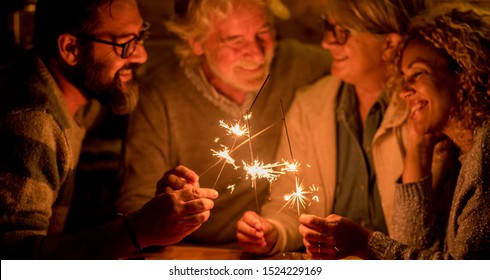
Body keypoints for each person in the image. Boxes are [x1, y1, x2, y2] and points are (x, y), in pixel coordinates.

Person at [0, 0, 217, 259]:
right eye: (125, 44)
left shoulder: (80, 103)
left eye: (141, 36)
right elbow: (17, 261)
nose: (141, 55)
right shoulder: (33, 122)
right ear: (71, 49)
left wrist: (152, 218)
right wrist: (136, 231)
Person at [235, 0, 453, 255]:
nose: (327, 42)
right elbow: (290, 205)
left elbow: (424, 237)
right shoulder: (310, 104)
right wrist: (273, 231)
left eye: (342, 32)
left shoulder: (423, 111)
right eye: (327, 27)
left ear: (390, 44)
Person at [116, 0, 331, 245]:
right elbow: (135, 206)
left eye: (263, 32)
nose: (258, 53)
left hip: (274, 244)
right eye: (236, 41)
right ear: (196, 42)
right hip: (191, 253)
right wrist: (162, 211)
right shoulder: (159, 96)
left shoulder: (298, 65)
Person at [299, 2, 490, 260]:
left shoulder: (485, 154)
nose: (404, 91)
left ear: (463, 71)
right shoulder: (461, 156)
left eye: (418, 73)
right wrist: (416, 151)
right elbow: (418, 248)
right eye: (403, 77)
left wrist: (366, 243)